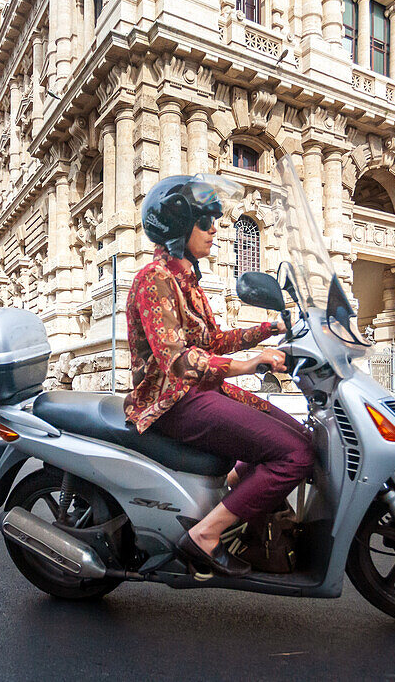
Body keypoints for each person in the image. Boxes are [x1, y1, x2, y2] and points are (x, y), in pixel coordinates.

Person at [124, 174, 315, 577]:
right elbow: (176, 360)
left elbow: (211, 339)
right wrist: (246, 365)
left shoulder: (185, 278)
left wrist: (271, 330)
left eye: (215, 220)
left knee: (302, 438)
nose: (215, 230)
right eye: (205, 222)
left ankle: (235, 498)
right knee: (294, 454)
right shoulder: (153, 279)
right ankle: (205, 536)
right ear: (179, 227)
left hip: (201, 393)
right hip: (172, 402)